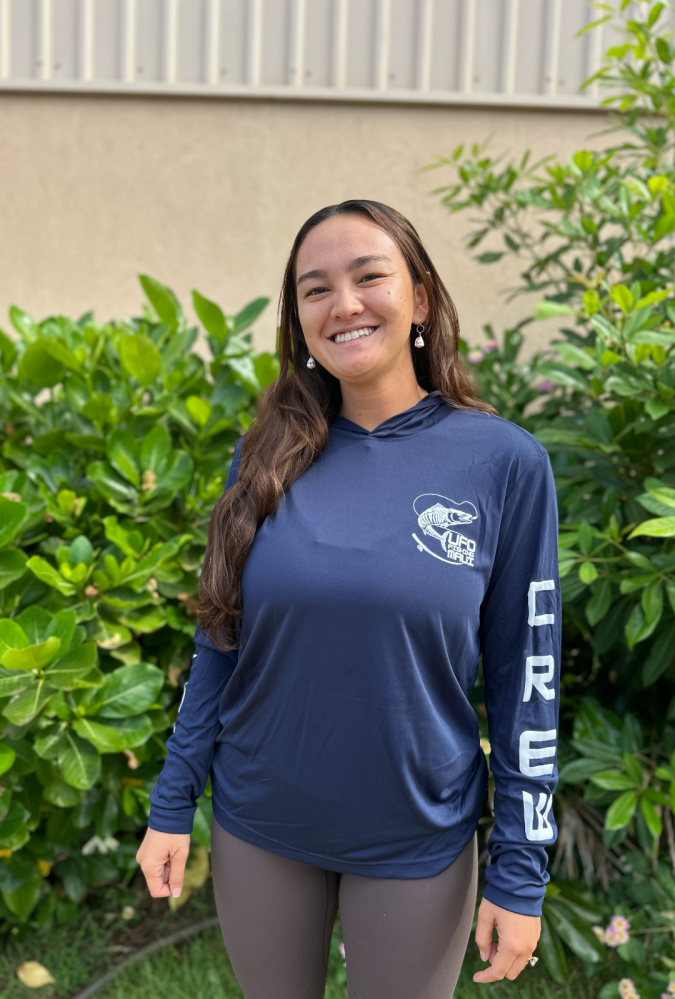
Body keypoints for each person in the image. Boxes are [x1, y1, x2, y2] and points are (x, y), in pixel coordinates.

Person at [136, 200, 561, 999]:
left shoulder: (503, 463)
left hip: (416, 836)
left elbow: (526, 682)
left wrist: (519, 871)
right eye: (314, 289)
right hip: (261, 824)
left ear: (422, 297)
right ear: (298, 320)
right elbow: (220, 643)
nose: (344, 304)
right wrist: (172, 802)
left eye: (369, 276)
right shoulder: (265, 455)